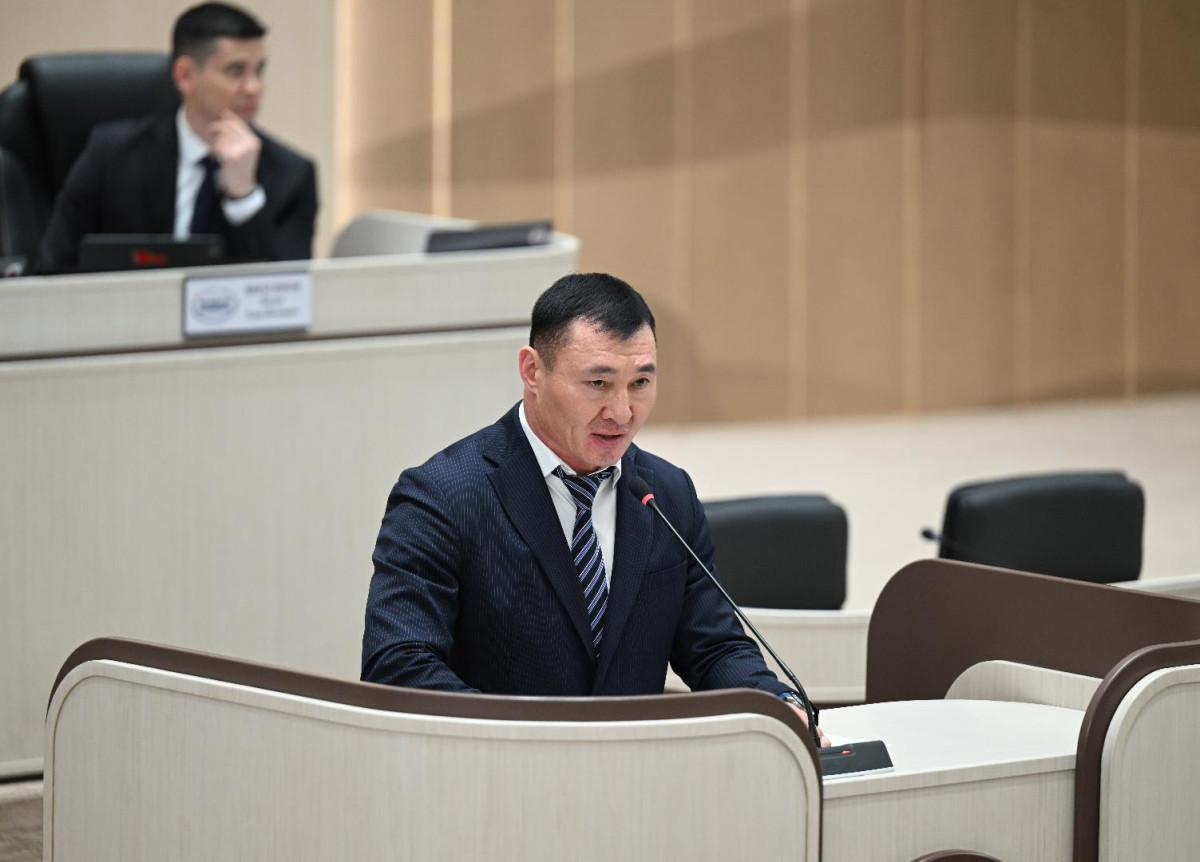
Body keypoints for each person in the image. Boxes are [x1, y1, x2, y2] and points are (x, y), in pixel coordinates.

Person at [362, 272, 827, 744]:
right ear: (532, 371)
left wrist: (776, 706)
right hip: (498, 773)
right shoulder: (441, 497)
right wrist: (527, 747)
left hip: (637, 775)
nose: (622, 413)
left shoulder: (667, 494)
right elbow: (398, 666)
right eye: (598, 383)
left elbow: (714, 649)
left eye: (640, 382)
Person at [36, 2, 317, 273]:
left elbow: (288, 290)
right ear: (185, 76)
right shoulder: (111, 156)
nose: (254, 87)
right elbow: (52, 269)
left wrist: (244, 198)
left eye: (259, 70)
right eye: (236, 71)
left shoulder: (292, 175)